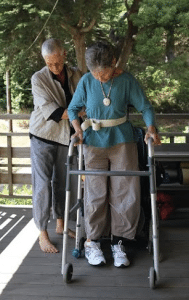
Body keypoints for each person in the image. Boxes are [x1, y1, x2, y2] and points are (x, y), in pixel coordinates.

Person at [68, 41, 161, 267]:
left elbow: (145, 107)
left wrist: (150, 128)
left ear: (114, 63)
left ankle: (119, 243)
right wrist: (78, 128)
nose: (100, 76)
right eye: (95, 72)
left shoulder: (126, 80)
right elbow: (72, 108)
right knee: (95, 192)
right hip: (92, 143)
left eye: (105, 71)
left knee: (125, 190)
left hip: (122, 140)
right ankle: (94, 242)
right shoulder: (87, 81)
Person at [29, 38, 84, 253]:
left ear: (64, 55)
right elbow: (53, 113)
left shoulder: (76, 74)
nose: (54, 68)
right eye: (49, 63)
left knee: (62, 182)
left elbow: (87, 99)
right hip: (43, 136)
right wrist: (78, 112)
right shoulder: (39, 78)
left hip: (65, 137)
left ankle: (61, 225)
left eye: (57, 63)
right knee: (42, 185)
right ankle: (43, 233)